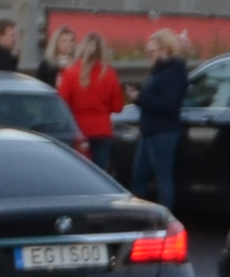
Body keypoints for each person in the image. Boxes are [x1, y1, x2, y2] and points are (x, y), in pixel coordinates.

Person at [133, 26, 189, 210]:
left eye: (152, 50)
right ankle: (138, 215)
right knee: (139, 176)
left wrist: (140, 98)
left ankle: (166, 216)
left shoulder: (173, 72)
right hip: (149, 131)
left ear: (164, 50)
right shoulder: (159, 71)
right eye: (147, 51)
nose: (149, 54)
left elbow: (168, 104)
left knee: (163, 177)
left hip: (163, 131)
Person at [57, 28, 126, 150]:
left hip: (78, 130)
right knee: (98, 168)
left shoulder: (70, 73)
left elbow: (62, 104)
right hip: (103, 130)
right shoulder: (109, 74)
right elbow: (118, 106)